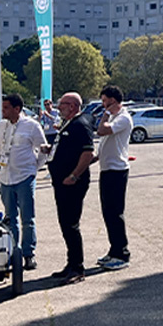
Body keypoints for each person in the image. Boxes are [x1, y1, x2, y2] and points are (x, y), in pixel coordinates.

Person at [44, 92, 94, 285]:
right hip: (61, 181)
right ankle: (71, 263)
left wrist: (74, 175)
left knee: (71, 224)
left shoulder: (80, 124)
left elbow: (88, 153)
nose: (58, 108)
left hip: (72, 183)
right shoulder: (68, 123)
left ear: (73, 106)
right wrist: (52, 150)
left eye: (62, 104)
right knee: (65, 224)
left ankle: (78, 268)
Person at [0, 94, 47, 271]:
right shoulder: (1, 125)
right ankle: (12, 253)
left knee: (27, 218)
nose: (3, 111)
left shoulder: (31, 126)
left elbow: (43, 149)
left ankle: (28, 254)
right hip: (6, 177)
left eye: (6, 108)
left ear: (17, 109)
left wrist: (35, 167)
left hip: (24, 177)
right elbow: (1, 148)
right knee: (10, 218)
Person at [93, 85, 132, 270]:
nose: (103, 105)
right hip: (106, 169)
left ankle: (122, 253)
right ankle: (113, 250)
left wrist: (106, 114)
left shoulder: (122, 118)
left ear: (113, 101)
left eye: (105, 102)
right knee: (107, 212)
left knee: (115, 213)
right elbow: (103, 145)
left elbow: (102, 131)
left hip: (117, 171)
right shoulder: (115, 117)